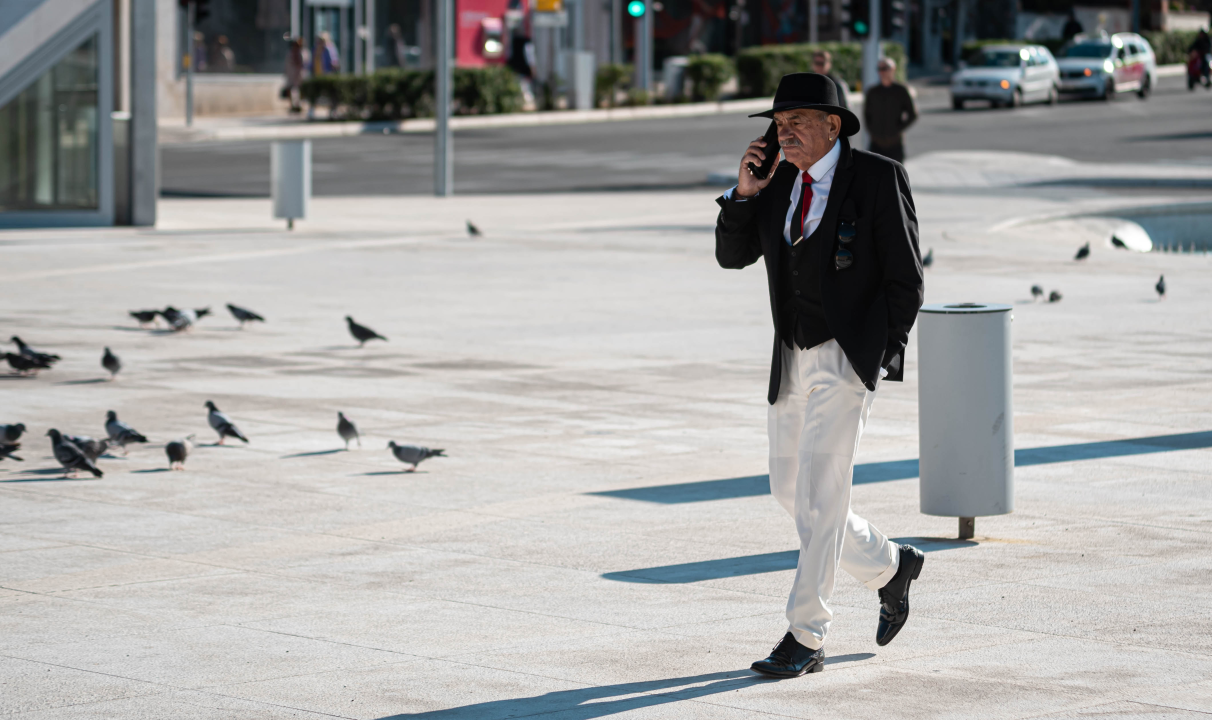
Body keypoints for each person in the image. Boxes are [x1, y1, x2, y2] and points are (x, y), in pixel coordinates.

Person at [714, 73, 925, 678]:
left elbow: (905, 279)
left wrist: (879, 354)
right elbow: (733, 255)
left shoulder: (879, 178)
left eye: (797, 122)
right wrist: (745, 192)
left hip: (844, 356)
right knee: (789, 491)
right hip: (791, 355)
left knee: (823, 494)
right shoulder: (776, 183)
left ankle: (807, 634)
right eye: (778, 125)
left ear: (833, 125)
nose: (784, 134)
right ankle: (890, 567)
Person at [863, 57, 916, 163]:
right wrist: (873, 132)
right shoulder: (872, 92)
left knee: (896, 176)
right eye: (879, 69)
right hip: (876, 144)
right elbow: (866, 115)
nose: (882, 72)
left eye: (885, 68)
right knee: (874, 177)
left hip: (895, 143)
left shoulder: (901, 90)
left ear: (893, 69)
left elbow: (912, 114)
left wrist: (898, 129)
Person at [285, 37, 306, 114]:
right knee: (290, 89)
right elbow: (287, 64)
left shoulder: (302, 53)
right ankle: (292, 105)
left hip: (298, 74)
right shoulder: (290, 53)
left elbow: (302, 64)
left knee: (300, 89)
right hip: (291, 74)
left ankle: (299, 105)